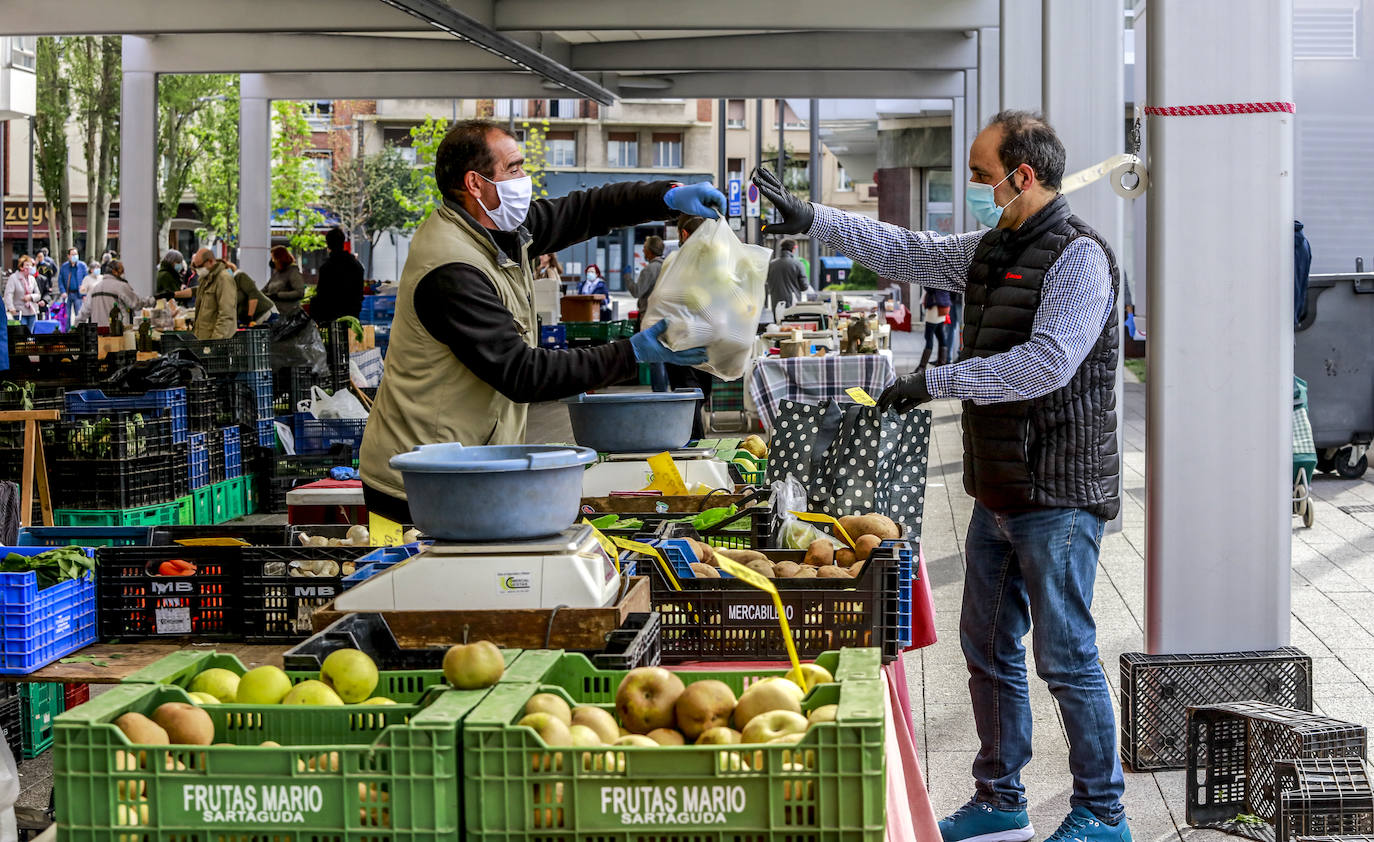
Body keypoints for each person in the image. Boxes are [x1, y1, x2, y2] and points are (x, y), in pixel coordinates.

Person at [754, 109, 1128, 842]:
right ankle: (999, 799)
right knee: (986, 648)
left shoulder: (1080, 257)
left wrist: (937, 380)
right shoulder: (993, 247)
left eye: (987, 177)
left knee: (1066, 654)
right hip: (998, 490)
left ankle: (1102, 811)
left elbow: (1047, 362)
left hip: (1059, 492)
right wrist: (813, 217)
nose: (981, 190)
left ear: (1025, 175)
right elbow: (908, 249)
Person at [358, 118, 723, 524]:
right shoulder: (451, 269)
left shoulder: (501, 229)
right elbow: (522, 373)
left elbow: (587, 209)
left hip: (465, 464)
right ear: (475, 184)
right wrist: (630, 353)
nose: (524, 178)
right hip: (418, 479)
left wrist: (666, 197)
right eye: (513, 168)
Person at [662, 215, 715, 433]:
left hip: (679, 337)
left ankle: (693, 443)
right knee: (698, 392)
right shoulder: (715, 262)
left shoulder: (675, 262)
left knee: (688, 392)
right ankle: (693, 442)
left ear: (684, 234)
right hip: (707, 338)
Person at [629, 236, 668, 390]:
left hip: (651, 317)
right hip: (665, 316)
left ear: (650, 251)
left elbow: (637, 291)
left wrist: (627, 277)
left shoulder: (650, 269)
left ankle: (659, 392)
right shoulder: (667, 266)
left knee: (654, 357)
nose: (643, 250)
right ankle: (665, 390)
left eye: (644, 247)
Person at [311, 226, 365, 325]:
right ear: (343, 242)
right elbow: (360, 291)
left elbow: (322, 294)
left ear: (328, 244)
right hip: (352, 315)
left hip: (330, 316)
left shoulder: (327, 267)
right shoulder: (356, 265)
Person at [75, 260, 148, 327]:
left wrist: (75, 329)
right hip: (118, 332)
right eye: (121, 271)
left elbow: (83, 313)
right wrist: (151, 301)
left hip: (99, 334)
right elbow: (136, 304)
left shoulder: (94, 289)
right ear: (115, 272)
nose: (123, 274)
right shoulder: (121, 286)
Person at [188, 248, 238, 340]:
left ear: (210, 262)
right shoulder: (206, 279)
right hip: (203, 340)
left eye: (200, 266)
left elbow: (226, 315)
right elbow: (196, 291)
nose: (198, 270)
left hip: (215, 343)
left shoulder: (224, 279)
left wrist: (215, 342)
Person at [765, 238, 808, 316]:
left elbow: (767, 281)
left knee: (778, 324)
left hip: (776, 303)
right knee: (792, 326)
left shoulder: (772, 264)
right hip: (793, 303)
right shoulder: (798, 264)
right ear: (794, 248)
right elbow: (804, 286)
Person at [263, 246, 305, 316]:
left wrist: (278, 295)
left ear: (280, 258)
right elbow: (265, 289)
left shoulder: (293, 271)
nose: (272, 261)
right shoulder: (276, 273)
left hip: (290, 314)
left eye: (273, 258)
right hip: (277, 313)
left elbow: (299, 292)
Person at [5, 256, 43, 329]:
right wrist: (11, 308)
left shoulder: (32, 279)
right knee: (22, 333)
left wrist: (31, 297)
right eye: (27, 265)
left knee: (30, 335)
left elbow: (38, 294)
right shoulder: (14, 278)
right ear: (21, 267)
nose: (30, 267)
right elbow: (8, 294)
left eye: (31, 265)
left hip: (32, 311)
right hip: (19, 311)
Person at [920, 286, 952, 369]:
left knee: (928, 337)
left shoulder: (934, 276)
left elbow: (929, 288)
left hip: (935, 308)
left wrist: (924, 283)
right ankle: (941, 364)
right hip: (943, 306)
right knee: (940, 335)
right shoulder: (944, 275)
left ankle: (922, 367)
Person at [56, 246, 88, 326]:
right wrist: (63, 291)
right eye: (72, 254)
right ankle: (67, 332)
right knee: (66, 316)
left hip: (78, 294)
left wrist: (84, 294)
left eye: (76, 254)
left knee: (79, 315)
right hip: (67, 294)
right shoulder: (64, 266)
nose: (74, 256)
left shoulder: (82, 266)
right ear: (68, 256)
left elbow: (86, 280)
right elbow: (60, 280)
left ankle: (79, 331)